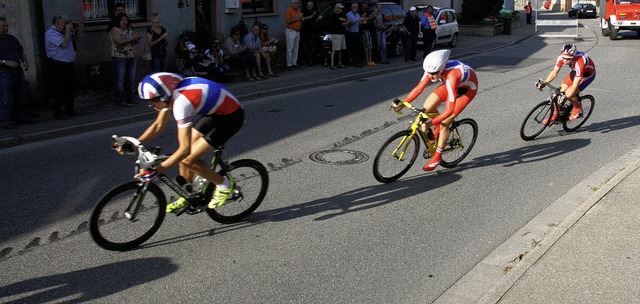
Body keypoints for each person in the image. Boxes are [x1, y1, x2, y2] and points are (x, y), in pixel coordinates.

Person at [127, 72, 245, 213]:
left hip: (231, 118)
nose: (150, 105)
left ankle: (225, 185)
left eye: (153, 100)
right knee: (183, 156)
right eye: (147, 102)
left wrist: (156, 171)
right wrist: (135, 143)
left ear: (164, 95)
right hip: (215, 113)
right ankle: (189, 195)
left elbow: (184, 150)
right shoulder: (170, 95)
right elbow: (158, 126)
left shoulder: (181, 103)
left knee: (187, 158)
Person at [392, 50, 478, 171]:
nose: (431, 76)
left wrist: (430, 123)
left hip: (467, 90)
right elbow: (418, 88)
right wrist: (403, 103)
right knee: (427, 106)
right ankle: (437, 130)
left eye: (434, 73)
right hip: (452, 85)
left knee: (445, 122)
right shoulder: (433, 69)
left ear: (442, 68)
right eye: (429, 73)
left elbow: (449, 110)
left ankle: (437, 156)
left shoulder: (452, 75)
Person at [536, 43, 596, 123]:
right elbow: (554, 72)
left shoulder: (580, 62)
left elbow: (575, 85)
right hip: (576, 72)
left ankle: (577, 107)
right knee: (557, 93)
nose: (565, 61)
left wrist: (568, 95)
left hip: (587, 75)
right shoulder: (561, 57)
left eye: (568, 59)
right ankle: (555, 114)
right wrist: (545, 83)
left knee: (569, 94)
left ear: (573, 57)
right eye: (564, 58)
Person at [0, 16, 33, 129]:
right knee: (5, 98)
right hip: (4, 72)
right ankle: (5, 120)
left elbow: (21, 51)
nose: (6, 28)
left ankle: (21, 117)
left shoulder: (12, 39)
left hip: (17, 71)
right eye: (3, 26)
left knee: (21, 94)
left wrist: (25, 61)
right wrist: (5, 62)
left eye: (7, 26)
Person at [44, 15, 77, 120]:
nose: (66, 25)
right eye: (64, 23)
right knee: (59, 89)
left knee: (70, 89)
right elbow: (64, 44)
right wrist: (67, 32)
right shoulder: (51, 33)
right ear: (57, 23)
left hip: (68, 64)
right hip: (57, 65)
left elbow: (75, 41)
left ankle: (69, 110)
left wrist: (75, 32)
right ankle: (58, 112)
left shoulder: (64, 32)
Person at [110, 13, 142, 107]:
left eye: (126, 20)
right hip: (119, 57)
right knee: (120, 80)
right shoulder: (114, 30)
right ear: (119, 21)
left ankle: (130, 99)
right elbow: (119, 41)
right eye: (123, 20)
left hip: (130, 57)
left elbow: (134, 41)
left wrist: (136, 39)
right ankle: (120, 100)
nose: (125, 22)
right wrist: (132, 38)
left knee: (130, 79)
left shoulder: (129, 30)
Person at [327, 3, 348, 70]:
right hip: (336, 34)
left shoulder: (341, 14)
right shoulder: (334, 15)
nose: (341, 9)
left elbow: (345, 21)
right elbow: (344, 20)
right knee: (334, 49)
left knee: (341, 49)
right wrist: (346, 21)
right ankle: (332, 64)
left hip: (342, 33)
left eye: (342, 8)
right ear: (337, 8)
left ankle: (339, 63)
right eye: (340, 8)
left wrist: (346, 22)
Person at [345, 2, 365, 67]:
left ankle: (359, 61)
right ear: (351, 7)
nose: (355, 8)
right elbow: (350, 23)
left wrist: (362, 22)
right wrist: (358, 20)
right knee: (353, 48)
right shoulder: (348, 14)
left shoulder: (358, 14)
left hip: (357, 32)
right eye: (353, 7)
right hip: (351, 33)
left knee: (359, 48)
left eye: (356, 7)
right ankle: (354, 63)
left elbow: (359, 23)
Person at [285, 0, 303, 69]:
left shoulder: (298, 10)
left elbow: (301, 19)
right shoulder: (289, 10)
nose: (297, 5)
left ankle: (294, 63)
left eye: (297, 3)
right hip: (291, 31)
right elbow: (289, 21)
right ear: (292, 4)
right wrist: (298, 18)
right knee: (290, 48)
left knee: (296, 48)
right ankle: (289, 64)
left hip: (297, 31)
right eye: (295, 3)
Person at [300, 0, 317, 66]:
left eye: (310, 5)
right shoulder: (303, 11)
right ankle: (303, 60)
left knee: (310, 46)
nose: (309, 6)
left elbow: (316, 19)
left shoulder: (315, 11)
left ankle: (310, 60)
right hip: (303, 30)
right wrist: (311, 16)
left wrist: (312, 17)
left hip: (311, 31)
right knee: (303, 46)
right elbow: (303, 19)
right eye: (308, 5)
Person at [359, 0, 376, 66]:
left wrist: (371, 17)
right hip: (363, 30)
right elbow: (363, 20)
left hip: (369, 30)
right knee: (366, 46)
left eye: (366, 4)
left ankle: (370, 60)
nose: (365, 5)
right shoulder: (360, 12)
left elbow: (371, 18)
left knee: (370, 46)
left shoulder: (368, 11)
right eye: (364, 4)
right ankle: (367, 60)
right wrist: (369, 17)